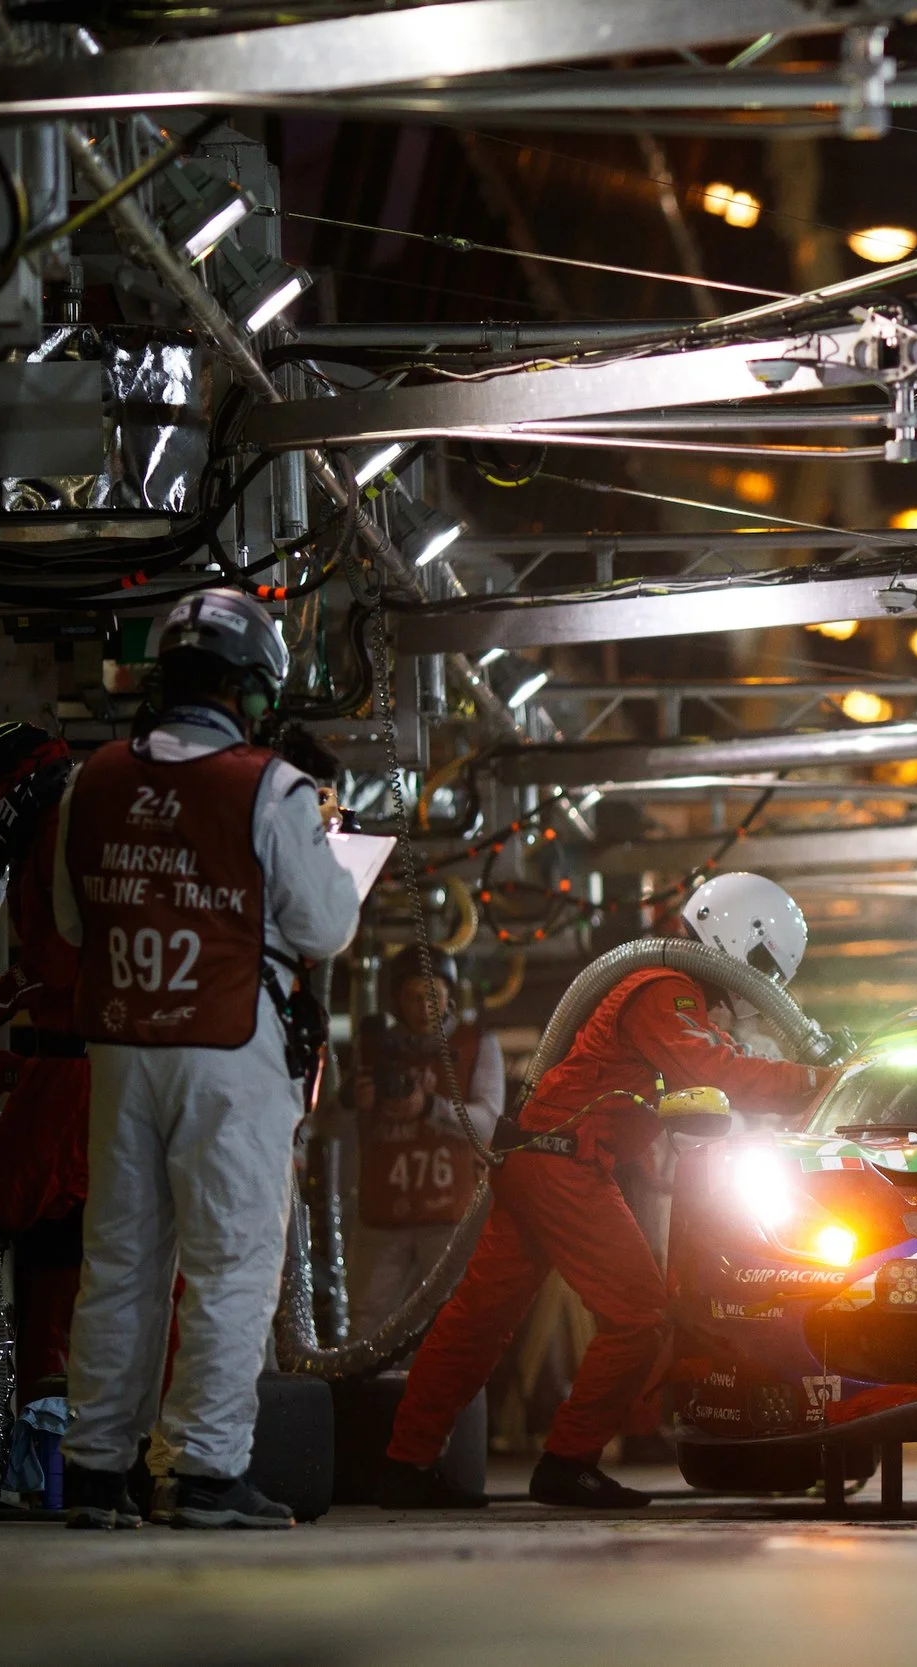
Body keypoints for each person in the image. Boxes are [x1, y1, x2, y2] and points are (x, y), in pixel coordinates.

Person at [54, 589, 360, 1531]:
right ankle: (204, 1472)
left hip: (122, 1045)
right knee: (230, 1260)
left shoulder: (92, 779)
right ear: (248, 691)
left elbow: (72, 920)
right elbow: (326, 925)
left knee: (119, 1259)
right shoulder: (271, 786)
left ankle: (95, 1471)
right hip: (231, 1044)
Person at [379, 872, 829, 1510]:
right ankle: (568, 1461)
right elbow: (718, 1069)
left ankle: (406, 1463)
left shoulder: (670, 996)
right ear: (738, 939)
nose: (761, 987)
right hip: (565, 1166)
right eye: (761, 968)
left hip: (537, 1160)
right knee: (640, 1318)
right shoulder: (665, 990)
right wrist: (818, 1079)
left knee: (479, 1321)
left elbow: (716, 1067)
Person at [0, 723, 87, 1390]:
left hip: (75, 1077)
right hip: (75, 1069)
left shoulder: (60, 826)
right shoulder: (66, 819)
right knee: (60, 1243)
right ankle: (48, 1407)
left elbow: (59, 963)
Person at [350, 951, 501, 1333]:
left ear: (449, 996)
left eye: (433, 995)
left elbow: (490, 1121)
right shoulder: (375, 1046)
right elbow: (331, 1127)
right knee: (367, 1326)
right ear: (396, 1001)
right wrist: (355, 1103)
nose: (423, 1007)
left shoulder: (474, 1043)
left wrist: (430, 1107)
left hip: (450, 1214)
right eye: (413, 997)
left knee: (454, 1323)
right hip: (383, 1215)